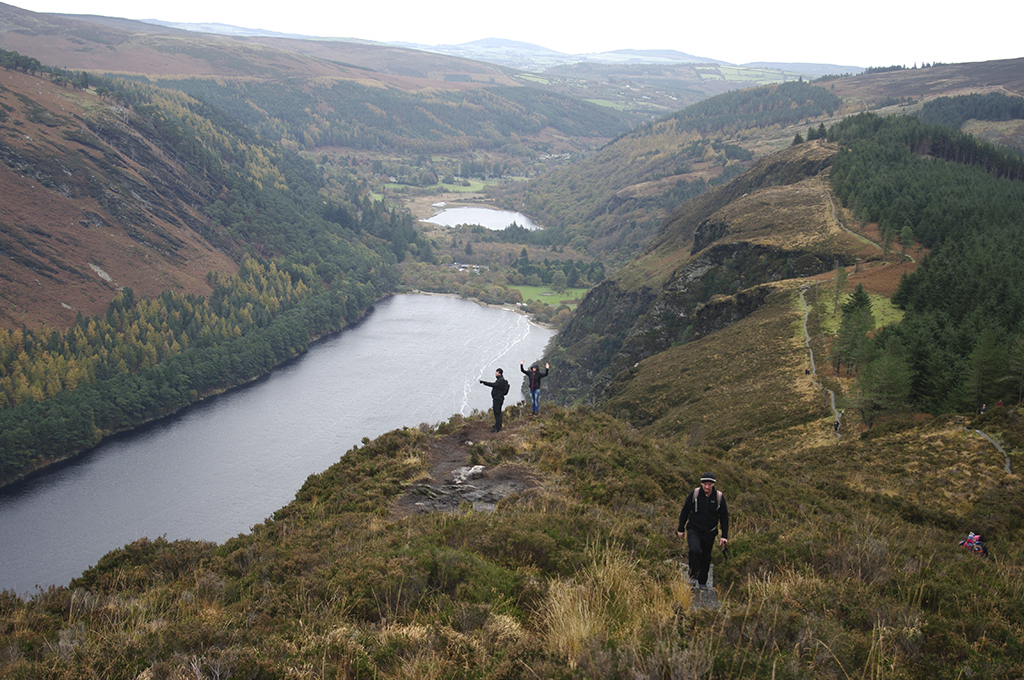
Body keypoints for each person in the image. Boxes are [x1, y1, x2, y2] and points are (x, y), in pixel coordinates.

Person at [677, 472, 729, 590]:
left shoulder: (719, 497)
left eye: (709, 484)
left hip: (710, 532)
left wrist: (724, 535)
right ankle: (692, 575)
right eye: (704, 484)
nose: (706, 487)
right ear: (701, 483)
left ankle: (702, 582)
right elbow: (685, 511)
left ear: (713, 484)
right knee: (695, 550)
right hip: (694, 529)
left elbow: (724, 517)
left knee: (706, 557)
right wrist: (681, 528)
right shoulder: (694, 494)